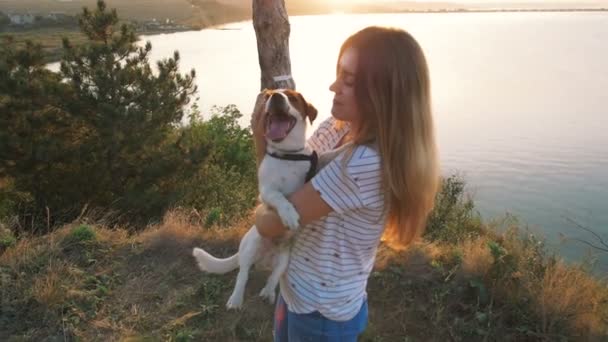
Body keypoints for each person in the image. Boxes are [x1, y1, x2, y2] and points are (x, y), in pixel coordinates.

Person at [251, 26, 440, 341]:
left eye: (349, 81)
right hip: (297, 287)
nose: (333, 86)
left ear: (384, 93)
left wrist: (261, 148)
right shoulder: (338, 126)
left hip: (320, 313)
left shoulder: (364, 163)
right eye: (338, 74)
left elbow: (272, 223)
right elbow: (281, 178)